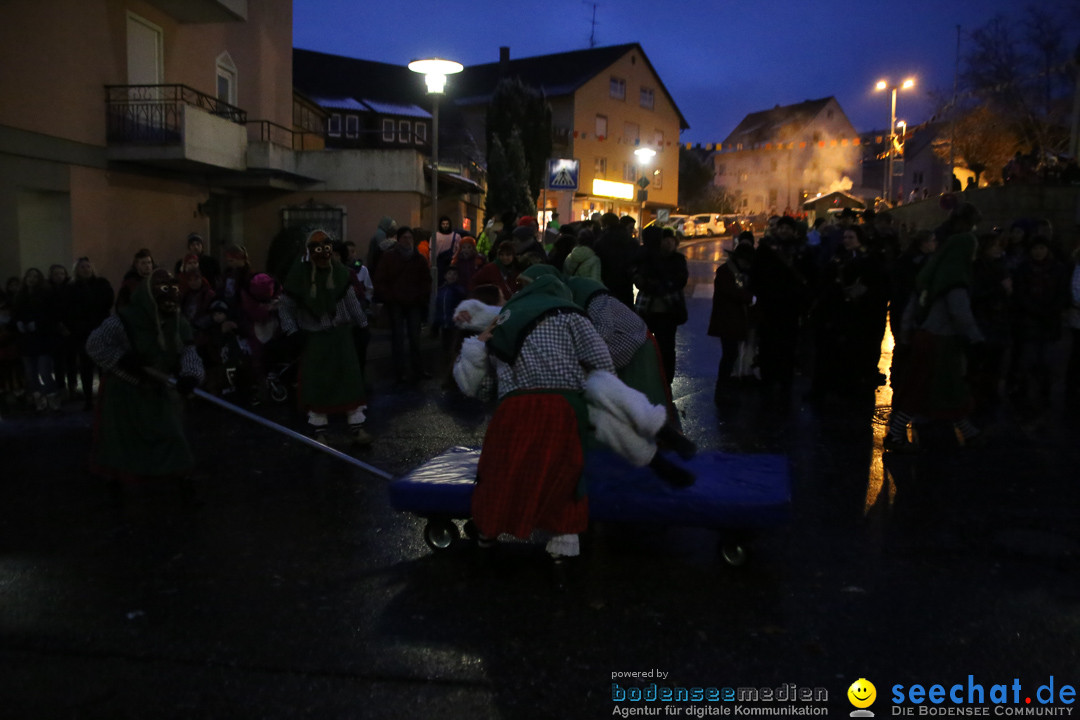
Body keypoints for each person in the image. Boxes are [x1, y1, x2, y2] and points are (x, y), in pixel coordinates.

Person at [451, 272, 617, 561]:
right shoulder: (572, 315)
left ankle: (488, 533)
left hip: (513, 408)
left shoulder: (504, 319)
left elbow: (487, 385)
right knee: (562, 473)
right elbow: (603, 364)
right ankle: (562, 547)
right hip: (562, 408)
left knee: (503, 471)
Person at [85, 268, 205, 482]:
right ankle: (129, 484)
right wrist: (124, 360)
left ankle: (176, 477)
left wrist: (191, 376)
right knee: (127, 441)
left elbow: (188, 350)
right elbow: (95, 344)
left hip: (157, 389)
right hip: (125, 391)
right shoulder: (123, 320)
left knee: (170, 434)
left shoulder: (177, 322)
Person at [885, 202, 985, 451]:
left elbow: (911, 305)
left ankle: (968, 432)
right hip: (942, 342)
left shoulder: (931, 274)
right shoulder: (955, 280)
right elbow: (960, 313)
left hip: (925, 338)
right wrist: (976, 338)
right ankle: (896, 435)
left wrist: (907, 333)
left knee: (936, 388)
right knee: (934, 389)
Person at [279, 230, 372, 444]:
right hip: (313, 337)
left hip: (340, 335)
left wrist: (363, 324)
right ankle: (319, 429)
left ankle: (356, 427)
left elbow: (351, 301)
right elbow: (286, 306)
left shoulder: (339, 273)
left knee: (347, 381)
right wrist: (292, 332)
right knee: (317, 384)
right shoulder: (299, 275)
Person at [372, 225, 431, 384]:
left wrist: (421, 297)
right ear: (398, 240)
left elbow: (426, 280)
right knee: (398, 338)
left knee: (414, 338)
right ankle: (400, 371)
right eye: (404, 238)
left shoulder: (418, 259)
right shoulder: (389, 257)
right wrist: (390, 297)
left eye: (410, 238)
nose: (408, 240)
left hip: (413, 303)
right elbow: (380, 280)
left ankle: (417, 369)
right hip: (396, 303)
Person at [633, 226, 689, 385]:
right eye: (666, 240)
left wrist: (661, 286)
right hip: (648, 310)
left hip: (668, 312)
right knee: (645, 347)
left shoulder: (678, 259)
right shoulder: (647, 257)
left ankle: (666, 381)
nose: (669, 244)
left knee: (667, 350)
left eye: (672, 240)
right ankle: (648, 379)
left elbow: (681, 280)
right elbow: (639, 278)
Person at [707, 243, 754, 402]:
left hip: (730, 319)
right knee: (729, 354)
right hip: (727, 319)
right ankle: (722, 389)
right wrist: (750, 299)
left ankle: (724, 388)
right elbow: (731, 292)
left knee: (730, 354)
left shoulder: (732, 270)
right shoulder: (726, 272)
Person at [67, 257, 115, 410]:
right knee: (86, 367)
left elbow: (108, 301)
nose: (86, 269)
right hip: (83, 332)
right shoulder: (72, 287)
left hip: (100, 329)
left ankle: (105, 397)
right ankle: (89, 398)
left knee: (104, 366)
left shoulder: (102, 284)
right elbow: (69, 309)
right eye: (82, 267)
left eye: (88, 266)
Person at [13, 267, 60, 411]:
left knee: (44, 371)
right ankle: (38, 398)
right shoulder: (20, 296)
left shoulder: (46, 295)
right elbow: (16, 314)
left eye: (35, 276)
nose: (31, 279)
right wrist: (18, 323)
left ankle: (52, 396)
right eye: (29, 276)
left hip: (42, 339)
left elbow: (52, 316)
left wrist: (38, 324)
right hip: (26, 340)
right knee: (30, 373)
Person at [594, 212, 638, 308]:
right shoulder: (631, 241)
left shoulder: (601, 240)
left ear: (604, 225)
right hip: (626, 283)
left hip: (607, 283)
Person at [434, 216, 463, 287]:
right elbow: (432, 251)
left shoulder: (456, 236)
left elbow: (459, 250)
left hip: (451, 263)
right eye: (443, 224)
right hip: (439, 264)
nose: (445, 226)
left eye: (447, 224)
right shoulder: (435, 236)